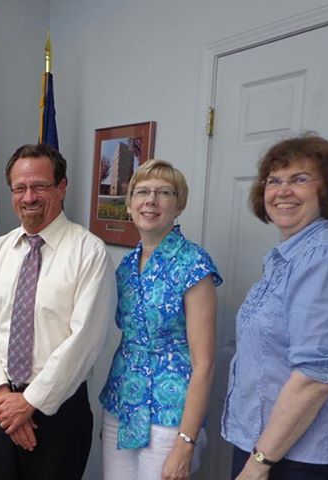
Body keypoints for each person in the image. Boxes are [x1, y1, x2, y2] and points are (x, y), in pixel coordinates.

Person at [222, 135, 328, 480]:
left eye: (300, 179)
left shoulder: (325, 258)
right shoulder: (289, 258)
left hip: (304, 460)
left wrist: (259, 463)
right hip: (269, 448)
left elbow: (315, 377)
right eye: (274, 181)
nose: (282, 190)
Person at [0, 143, 116, 479]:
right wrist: (7, 400)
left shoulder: (89, 252)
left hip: (60, 410)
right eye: (19, 188)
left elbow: (85, 340)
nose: (29, 197)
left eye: (39, 186)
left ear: (62, 187)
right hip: (0, 404)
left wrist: (30, 402)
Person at [98, 159, 222, 480]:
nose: (151, 200)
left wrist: (185, 442)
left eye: (163, 192)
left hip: (169, 414)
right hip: (122, 403)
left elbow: (204, 364)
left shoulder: (194, 264)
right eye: (142, 192)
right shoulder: (126, 265)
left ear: (178, 205)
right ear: (130, 204)